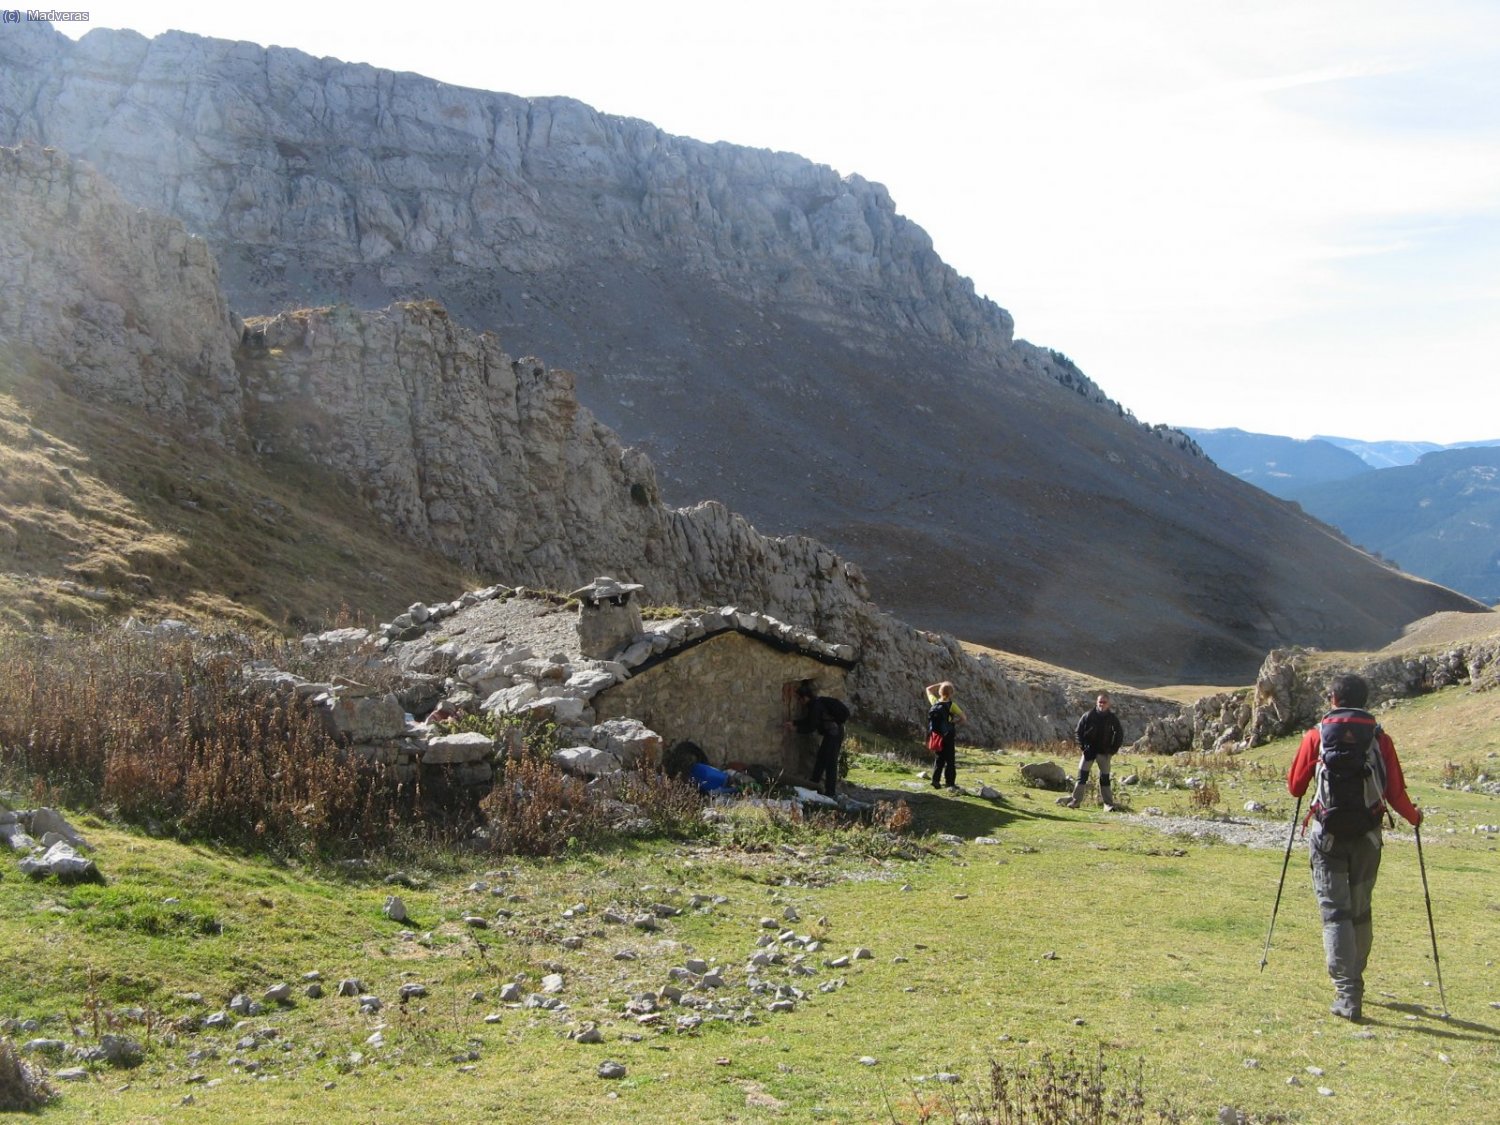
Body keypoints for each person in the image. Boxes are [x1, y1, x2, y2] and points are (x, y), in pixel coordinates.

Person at [1287, 672, 1421, 1022]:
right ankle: (1355, 978)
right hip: (1367, 836)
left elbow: (1295, 788)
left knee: (1335, 912)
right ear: (1364, 702)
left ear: (1332, 698)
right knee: (1360, 910)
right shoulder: (1380, 740)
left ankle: (1348, 993)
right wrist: (1414, 817)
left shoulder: (1316, 736)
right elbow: (1395, 793)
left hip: (1326, 837)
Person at [1066, 692, 1123, 809]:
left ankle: (1108, 804)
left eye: (1104, 702)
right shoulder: (1088, 715)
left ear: (1109, 704)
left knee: (1105, 779)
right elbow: (1078, 732)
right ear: (1096, 703)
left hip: (1105, 753)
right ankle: (1075, 802)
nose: (1102, 704)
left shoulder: (1113, 719)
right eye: (1100, 702)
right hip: (1089, 752)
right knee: (1081, 777)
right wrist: (1083, 747)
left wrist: (1113, 750)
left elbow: (1119, 735)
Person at [796, 681, 847, 798]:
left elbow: (811, 726)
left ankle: (830, 792)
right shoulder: (816, 704)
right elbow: (808, 720)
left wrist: (796, 729)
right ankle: (814, 785)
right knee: (821, 759)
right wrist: (794, 723)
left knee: (830, 763)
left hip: (834, 734)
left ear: (805, 698)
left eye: (800, 699)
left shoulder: (815, 706)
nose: (799, 702)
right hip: (833, 734)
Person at [925, 681, 964, 789]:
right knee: (950, 759)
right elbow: (963, 718)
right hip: (948, 734)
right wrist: (953, 723)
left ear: (940, 692)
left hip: (937, 735)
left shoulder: (935, 702)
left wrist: (940, 684)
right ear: (951, 693)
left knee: (939, 758)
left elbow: (928, 689)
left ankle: (935, 780)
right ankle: (950, 782)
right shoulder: (952, 705)